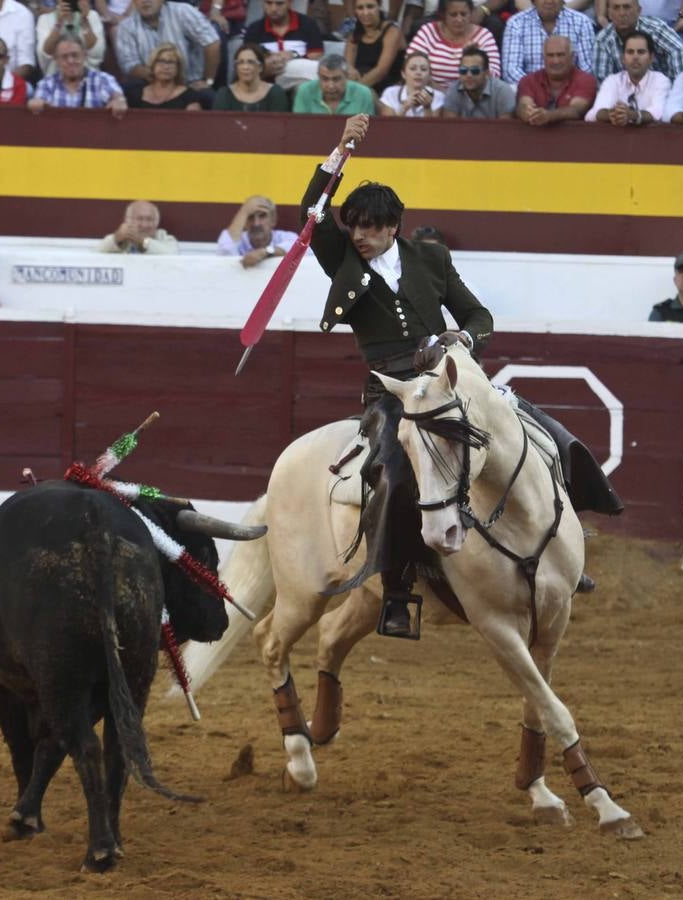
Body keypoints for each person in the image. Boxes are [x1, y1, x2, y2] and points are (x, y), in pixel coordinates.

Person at [303, 114, 494, 639]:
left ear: (394, 227)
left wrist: (465, 339)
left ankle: (558, 544)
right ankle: (396, 590)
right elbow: (311, 212)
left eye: (372, 227)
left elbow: (479, 316)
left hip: (450, 381)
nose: (361, 236)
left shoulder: (431, 258)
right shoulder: (341, 257)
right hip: (389, 391)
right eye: (356, 225)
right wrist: (340, 151)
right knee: (394, 475)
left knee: (534, 436)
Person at [115, 0, 220, 96]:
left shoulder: (183, 12)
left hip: (190, 84)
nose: (145, 1)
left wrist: (207, 80)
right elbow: (129, 65)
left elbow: (212, 43)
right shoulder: (126, 27)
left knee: (207, 95)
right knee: (129, 90)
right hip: (152, 84)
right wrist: (163, 76)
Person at [406, 0, 502, 90]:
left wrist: (476, 58)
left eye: (463, 14)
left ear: (471, 13)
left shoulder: (484, 36)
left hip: (470, 98)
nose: (459, 19)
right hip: (430, 94)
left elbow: (495, 77)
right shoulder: (428, 31)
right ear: (443, 15)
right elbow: (410, 65)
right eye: (453, 15)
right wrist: (440, 92)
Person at [586, 30, 672, 123]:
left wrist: (632, 115)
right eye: (630, 52)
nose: (635, 57)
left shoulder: (661, 81)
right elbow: (593, 114)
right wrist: (613, 114)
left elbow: (658, 113)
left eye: (641, 52)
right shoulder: (613, 80)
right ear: (623, 58)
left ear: (651, 58)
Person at [501, 0, 597, 83]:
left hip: (572, 90)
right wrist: (535, 89)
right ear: (534, 0)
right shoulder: (516, 23)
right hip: (530, 91)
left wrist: (567, 89)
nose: (549, 1)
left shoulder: (581, 22)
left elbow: (588, 68)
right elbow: (511, 71)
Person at [593, 0, 683, 82]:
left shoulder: (655, 28)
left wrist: (674, 90)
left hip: (661, 92)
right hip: (624, 97)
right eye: (616, 8)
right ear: (609, 14)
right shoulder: (603, 40)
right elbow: (603, 82)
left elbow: (678, 51)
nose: (621, 13)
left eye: (627, 7)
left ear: (639, 11)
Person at [29, 36, 128, 114]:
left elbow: (118, 98)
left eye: (75, 55)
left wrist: (118, 101)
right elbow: (38, 103)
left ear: (85, 55)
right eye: (64, 57)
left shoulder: (103, 80)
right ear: (56, 60)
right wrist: (36, 103)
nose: (70, 61)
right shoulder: (46, 84)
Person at [244, 0, 327, 91]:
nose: (273, 9)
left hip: (299, 79)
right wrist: (265, 66)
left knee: (304, 86)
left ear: (289, 3)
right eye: (269, 3)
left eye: (279, 3)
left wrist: (294, 55)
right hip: (266, 82)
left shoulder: (307, 24)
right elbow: (246, 62)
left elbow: (317, 55)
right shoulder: (254, 29)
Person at [516, 34, 599, 123]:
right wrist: (527, 113)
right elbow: (523, 105)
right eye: (550, 55)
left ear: (572, 56)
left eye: (560, 55)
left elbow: (576, 110)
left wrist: (549, 116)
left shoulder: (586, 80)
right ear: (543, 58)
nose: (556, 61)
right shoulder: (529, 80)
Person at [216, 196, 300, 267]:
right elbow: (224, 252)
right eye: (250, 216)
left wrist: (265, 252)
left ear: (273, 220)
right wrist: (244, 211)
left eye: (262, 216)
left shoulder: (285, 237)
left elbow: (298, 248)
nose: (256, 223)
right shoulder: (239, 240)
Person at [345, 0, 405, 94]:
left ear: (379, 6)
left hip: (387, 91)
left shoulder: (392, 32)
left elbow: (381, 71)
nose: (365, 12)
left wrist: (354, 91)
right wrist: (350, 72)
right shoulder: (354, 35)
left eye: (370, 7)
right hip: (361, 88)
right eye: (360, 8)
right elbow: (348, 66)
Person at [443, 44, 518, 117]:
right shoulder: (453, 90)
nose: (469, 75)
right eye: (463, 70)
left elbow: (504, 128)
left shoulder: (503, 91)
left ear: (487, 73)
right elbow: (451, 127)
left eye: (475, 70)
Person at [214, 43, 291, 111]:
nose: (245, 67)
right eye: (240, 62)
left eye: (251, 62)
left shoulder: (275, 93)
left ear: (260, 67)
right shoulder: (224, 94)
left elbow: (279, 125)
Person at [37, 0, 106, 76]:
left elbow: (97, 53)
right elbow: (45, 54)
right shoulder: (44, 19)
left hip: (89, 76)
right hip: (56, 77)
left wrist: (84, 21)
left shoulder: (92, 16)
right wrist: (59, 22)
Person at [127, 43, 205, 108]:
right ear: (153, 65)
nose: (166, 67)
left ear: (178, 68)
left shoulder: (190, 96)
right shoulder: (136, 94)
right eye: (161, 61)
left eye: (171, 62)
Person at [293, 54, 379, 113]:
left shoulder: (363, 94)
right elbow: (300, 129)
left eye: (336, 79)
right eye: (325, 79)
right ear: (318, 76)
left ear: (346, 77)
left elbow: (367, 133)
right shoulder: (304, 91)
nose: (331, 86)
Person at [378, 50, 447, 115]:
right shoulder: (390, 93)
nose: (418, 73)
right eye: (413, 68)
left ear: (429, 75)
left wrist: (427, 108)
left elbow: (433, 127)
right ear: (403, 74)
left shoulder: (439, 97)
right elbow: (388, 126)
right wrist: (404, 108)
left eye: (423, 69)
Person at [96, 200, 180, 253]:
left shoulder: (164, 238)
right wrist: (117, 239)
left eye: (149, 219)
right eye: (140, 219)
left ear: (156, 222)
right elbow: (99, 250)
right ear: (128, 220)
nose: (144, 225)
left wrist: (143, 243)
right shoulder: (121, 237)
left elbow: (172, 252)